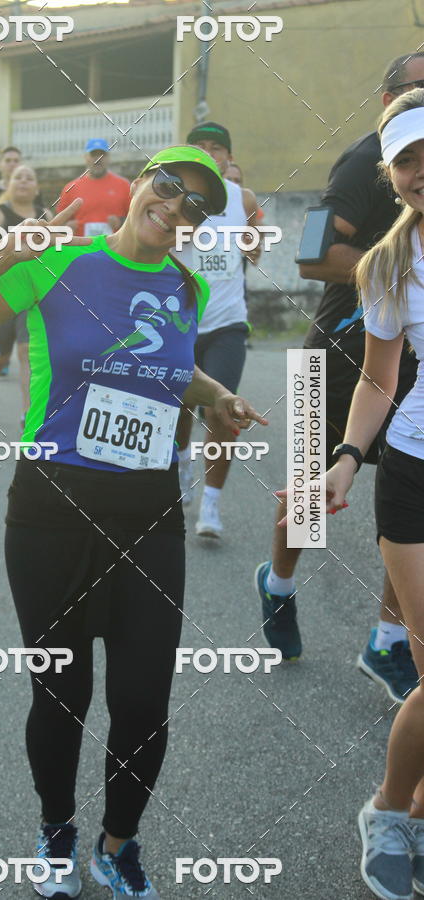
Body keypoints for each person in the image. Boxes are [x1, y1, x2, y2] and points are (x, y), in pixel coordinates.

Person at [0, 145, 267, 899]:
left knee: (144, 697)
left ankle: (119, 842)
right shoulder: (61, 263)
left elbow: (168, 366)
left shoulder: (185, 285)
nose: (176, 208)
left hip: (148, 514)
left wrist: (211, 397)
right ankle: (55, 829)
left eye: (196, 205)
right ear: (140, 184)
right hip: (51, 511)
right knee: (61, 693)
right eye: (168, 187)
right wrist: (3, 251)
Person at [254, 53, 424, 703]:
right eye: (417, 88)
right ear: (386, 100)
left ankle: (387, 640)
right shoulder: (364, 162)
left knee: (411, 499)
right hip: (338, 350)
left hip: (408, 355)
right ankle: (280, 581)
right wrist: (396, 275)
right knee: (312, 492)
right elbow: (312, 253)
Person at [321, 89, 424, 900]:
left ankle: (413, 806)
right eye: (408, 159)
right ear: (390, 174)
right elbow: (381, 377)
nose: (423, 172)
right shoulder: (386, 263)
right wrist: (350, 456)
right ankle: (388, 811)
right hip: (415, 474)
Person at [174, 121, 260, 538]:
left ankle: (211, 504)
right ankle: (181, 464)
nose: (209, 153)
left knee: (222, 412)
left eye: (217, 148)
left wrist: (253, 241)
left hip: (227, 323)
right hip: (181, 321)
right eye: (200, 147)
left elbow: (256, 247)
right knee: (177, 412)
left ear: (229, 156)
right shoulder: (176, 197)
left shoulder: (243, 198)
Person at [0, 164, 52, 427]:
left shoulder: (46, 216)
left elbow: (55, 255)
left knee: (27, 351)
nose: (24, 181)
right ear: (8, 185)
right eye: (18, 177)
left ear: (37, 187)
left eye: (30, 177)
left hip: (33, 296)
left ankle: (28, 416)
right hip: (1, 294)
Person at [56, 138, 130, 237]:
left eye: (102, 154)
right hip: (82, 249)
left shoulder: (124, 185)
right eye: (93, 155)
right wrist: (67, 227)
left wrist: (120, 221)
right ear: (86, 157)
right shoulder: (70, 188)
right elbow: (58, 223)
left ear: (108, 158)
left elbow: (135, 217)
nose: (98, 159)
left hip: (114, 248)